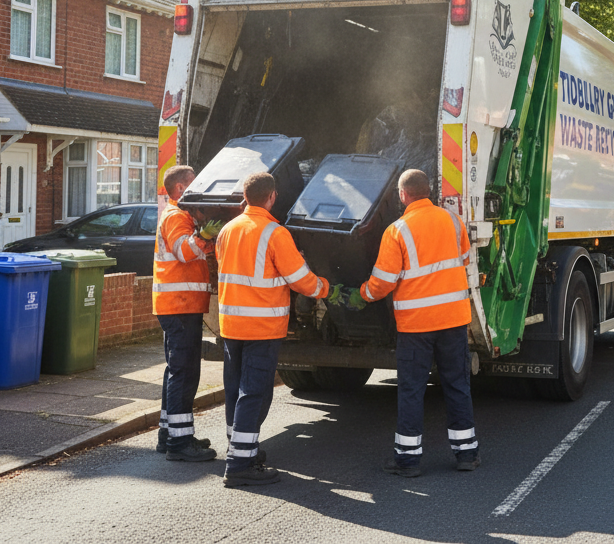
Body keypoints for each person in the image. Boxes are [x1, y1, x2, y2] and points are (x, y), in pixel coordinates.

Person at [350, 168, 477, 477]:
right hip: (453, 319)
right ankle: (467, 455)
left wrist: (363, 295)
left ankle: (408, 460)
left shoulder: (397, 230)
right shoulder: (452, 221)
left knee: (411, 390)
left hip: (416, 326)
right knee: (457, 384)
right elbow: (463, 257)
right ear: (429, 191)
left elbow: (384, 281)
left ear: (403, 195)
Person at [215, 172, 337, 487]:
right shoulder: (275, 233)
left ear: (245, 196)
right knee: (254, 392)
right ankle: (240, 465)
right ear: (272, 197)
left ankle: (241, 448)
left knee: (236, 389)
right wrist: (323, 287)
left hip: (231, 324)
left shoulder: (227, 230)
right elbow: (299, 278)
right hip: (262, 326)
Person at [153, 165, 220, 462]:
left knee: (176, 371)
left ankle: (170, 435)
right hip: (179, 306)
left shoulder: (177, 215)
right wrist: (205, 236)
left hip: (178, 305)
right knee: (184, 372)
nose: (199, 187)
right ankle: (180, 443)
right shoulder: (176, 216)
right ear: (180, 188)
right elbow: (183, 251)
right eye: (194, 183)